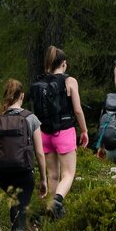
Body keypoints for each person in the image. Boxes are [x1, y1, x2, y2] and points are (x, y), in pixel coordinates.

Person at [0, 79, 47, 231]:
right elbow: (40, 153)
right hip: (24, 172)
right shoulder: (31, 118)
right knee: (20, 204)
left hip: (0, 173)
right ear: (22, 95)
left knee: (16, 201)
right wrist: (43, 180)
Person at [32, 46, 89, 219]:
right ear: (64, 64)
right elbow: (78, 110)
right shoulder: (70, 81)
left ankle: (51, 212)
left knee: (53, 175)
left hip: (44, 134)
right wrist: (84, 130)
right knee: (68, 174)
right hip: (64, 132)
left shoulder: (39, 83)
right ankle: (57, 201)